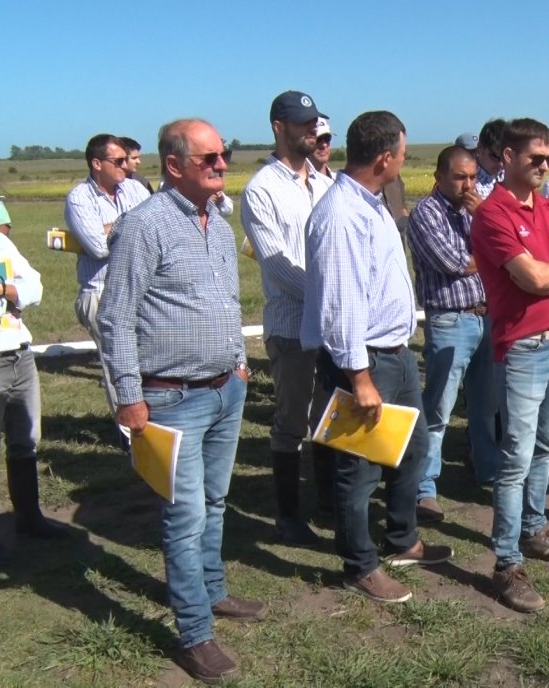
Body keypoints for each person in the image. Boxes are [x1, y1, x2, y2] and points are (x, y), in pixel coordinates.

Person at [97, 120, 263, 684]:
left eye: (225, 154)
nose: (222, 163)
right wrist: (128, 397)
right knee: (185, 516)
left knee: (215, 501)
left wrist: (238, 361)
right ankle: (194, 633)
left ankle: (212, 591)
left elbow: (224, 298)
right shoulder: (145, 226)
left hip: (225, 388)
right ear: (175, 166)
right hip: (170, 398)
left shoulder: (217, 220)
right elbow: (115, 316)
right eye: (209, 158)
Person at [302, 111, 452, 605]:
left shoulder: (369, 203)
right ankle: (360, 564)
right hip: (365, 360)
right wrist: (360, 377)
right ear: (385, 157)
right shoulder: (342, 215)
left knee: (412, 450)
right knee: (360, 469)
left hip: (395, 353)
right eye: (404, 153)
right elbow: (341, 304)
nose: (405, 161)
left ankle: (401, 538)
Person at [472, 117, 549, 612]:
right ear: (507, 157)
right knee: (517, 456)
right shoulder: (493, 215)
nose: (545, 165)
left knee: (546, 445)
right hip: (525, 347)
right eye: (534, 158)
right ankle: (505, 563)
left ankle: (533, 528)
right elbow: (531, 280)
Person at [241, 90, 332, 546]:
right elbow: (276, 262)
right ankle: (289, 515)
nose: (310, 130)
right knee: (292, 421)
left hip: (329, 322)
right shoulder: (261, 189)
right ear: (279, 126)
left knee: (331, 415)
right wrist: (329, 296)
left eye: (313, 122)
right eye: (301, 123)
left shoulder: (322, 181)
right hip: (293, 323)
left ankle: (330, 500)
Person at [407, 145, 499, 521]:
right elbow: (455, 263)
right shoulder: (426, 213)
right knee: (440, 407)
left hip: (485, 316)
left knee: (486, 404)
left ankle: (488, 470)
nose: (468, 185)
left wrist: (486, 221)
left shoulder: (478, 211)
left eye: (473, 177)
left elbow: (509, 245)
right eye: (460, 177)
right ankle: (425, 487)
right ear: (439, 177)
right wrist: (494, 251)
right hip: (451, 319)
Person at [0, 169, 66, 567]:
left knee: (25, 440)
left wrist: (0, 290)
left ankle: (29, 518)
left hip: (19, 352)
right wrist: (8, 297)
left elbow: (35, 286)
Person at [64, 134, 151, 429]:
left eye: (126, 160)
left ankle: (153, 426)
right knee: (118, 367)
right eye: (118, 161)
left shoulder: (135, 189)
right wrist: (130, 223)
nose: (126, 166)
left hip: (141, 290)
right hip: (102, 293)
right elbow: (97, 246)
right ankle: (130, 435)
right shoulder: (79, 198)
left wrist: (112, 227)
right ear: (97, 164)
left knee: (148, 362)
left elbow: (154, 232)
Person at [474, 118, 506, 199]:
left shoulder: (509, 177)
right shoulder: (468, 181)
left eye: (505, 159)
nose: (501, 164)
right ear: (480, 148)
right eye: (495, 157)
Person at [310, 116, 339, 189]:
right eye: (318, 139)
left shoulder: (338, 180)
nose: (324, 145)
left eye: (327, 138)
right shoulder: (303, 183)